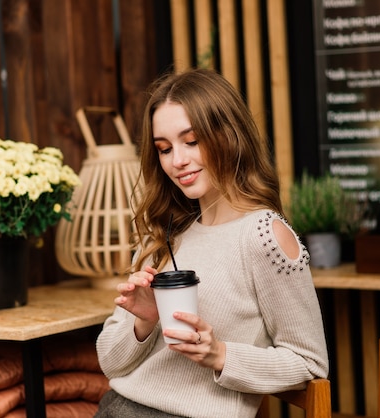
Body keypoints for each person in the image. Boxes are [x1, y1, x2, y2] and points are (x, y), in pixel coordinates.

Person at [94, 68, 329, 418]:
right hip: (116, 409)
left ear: (229, 136)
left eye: (192, 141)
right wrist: (143, 323)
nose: (178, 161)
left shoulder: (263, 235)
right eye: (164, 148)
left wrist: (219, 354)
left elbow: (310, 363)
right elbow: (111, 363)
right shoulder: (162, 232)